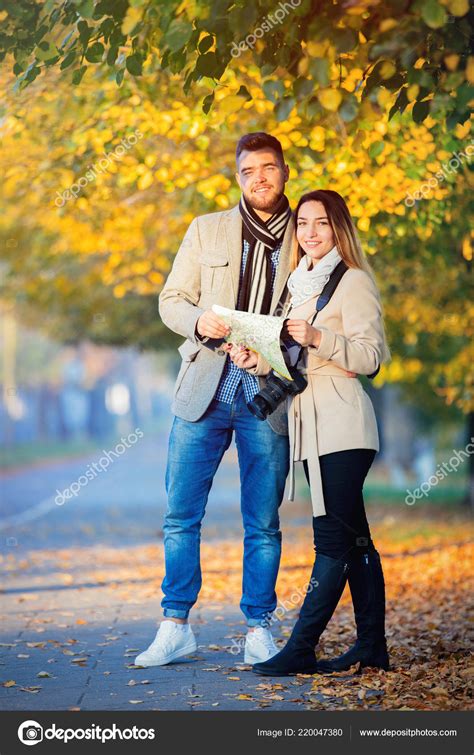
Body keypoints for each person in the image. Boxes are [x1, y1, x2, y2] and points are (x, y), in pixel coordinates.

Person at [135, 133, 294, 668]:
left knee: (263, 521)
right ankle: (175, 625)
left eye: (268, 168)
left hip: (266, 397)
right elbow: (171, 300)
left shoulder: (308, 234)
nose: (259, 179)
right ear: (238, 177)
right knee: (180, 516)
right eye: (248, 171)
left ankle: (258, 629)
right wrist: (197, 320)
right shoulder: (207, 229)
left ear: (284, 172)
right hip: (203, 390)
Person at [235, 189, 392, 676]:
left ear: (338, 227)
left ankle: (302, 646)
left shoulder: (354, 282)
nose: (310, 232)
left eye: (321, 223)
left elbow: (372, 358)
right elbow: (291, 361)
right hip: (308, 425)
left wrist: (319, 336)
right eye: (303, 224)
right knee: (357, 541)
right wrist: (255, 359)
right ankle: (372, 647)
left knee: (330, 543)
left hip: (342, 427)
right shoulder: (296, 286)